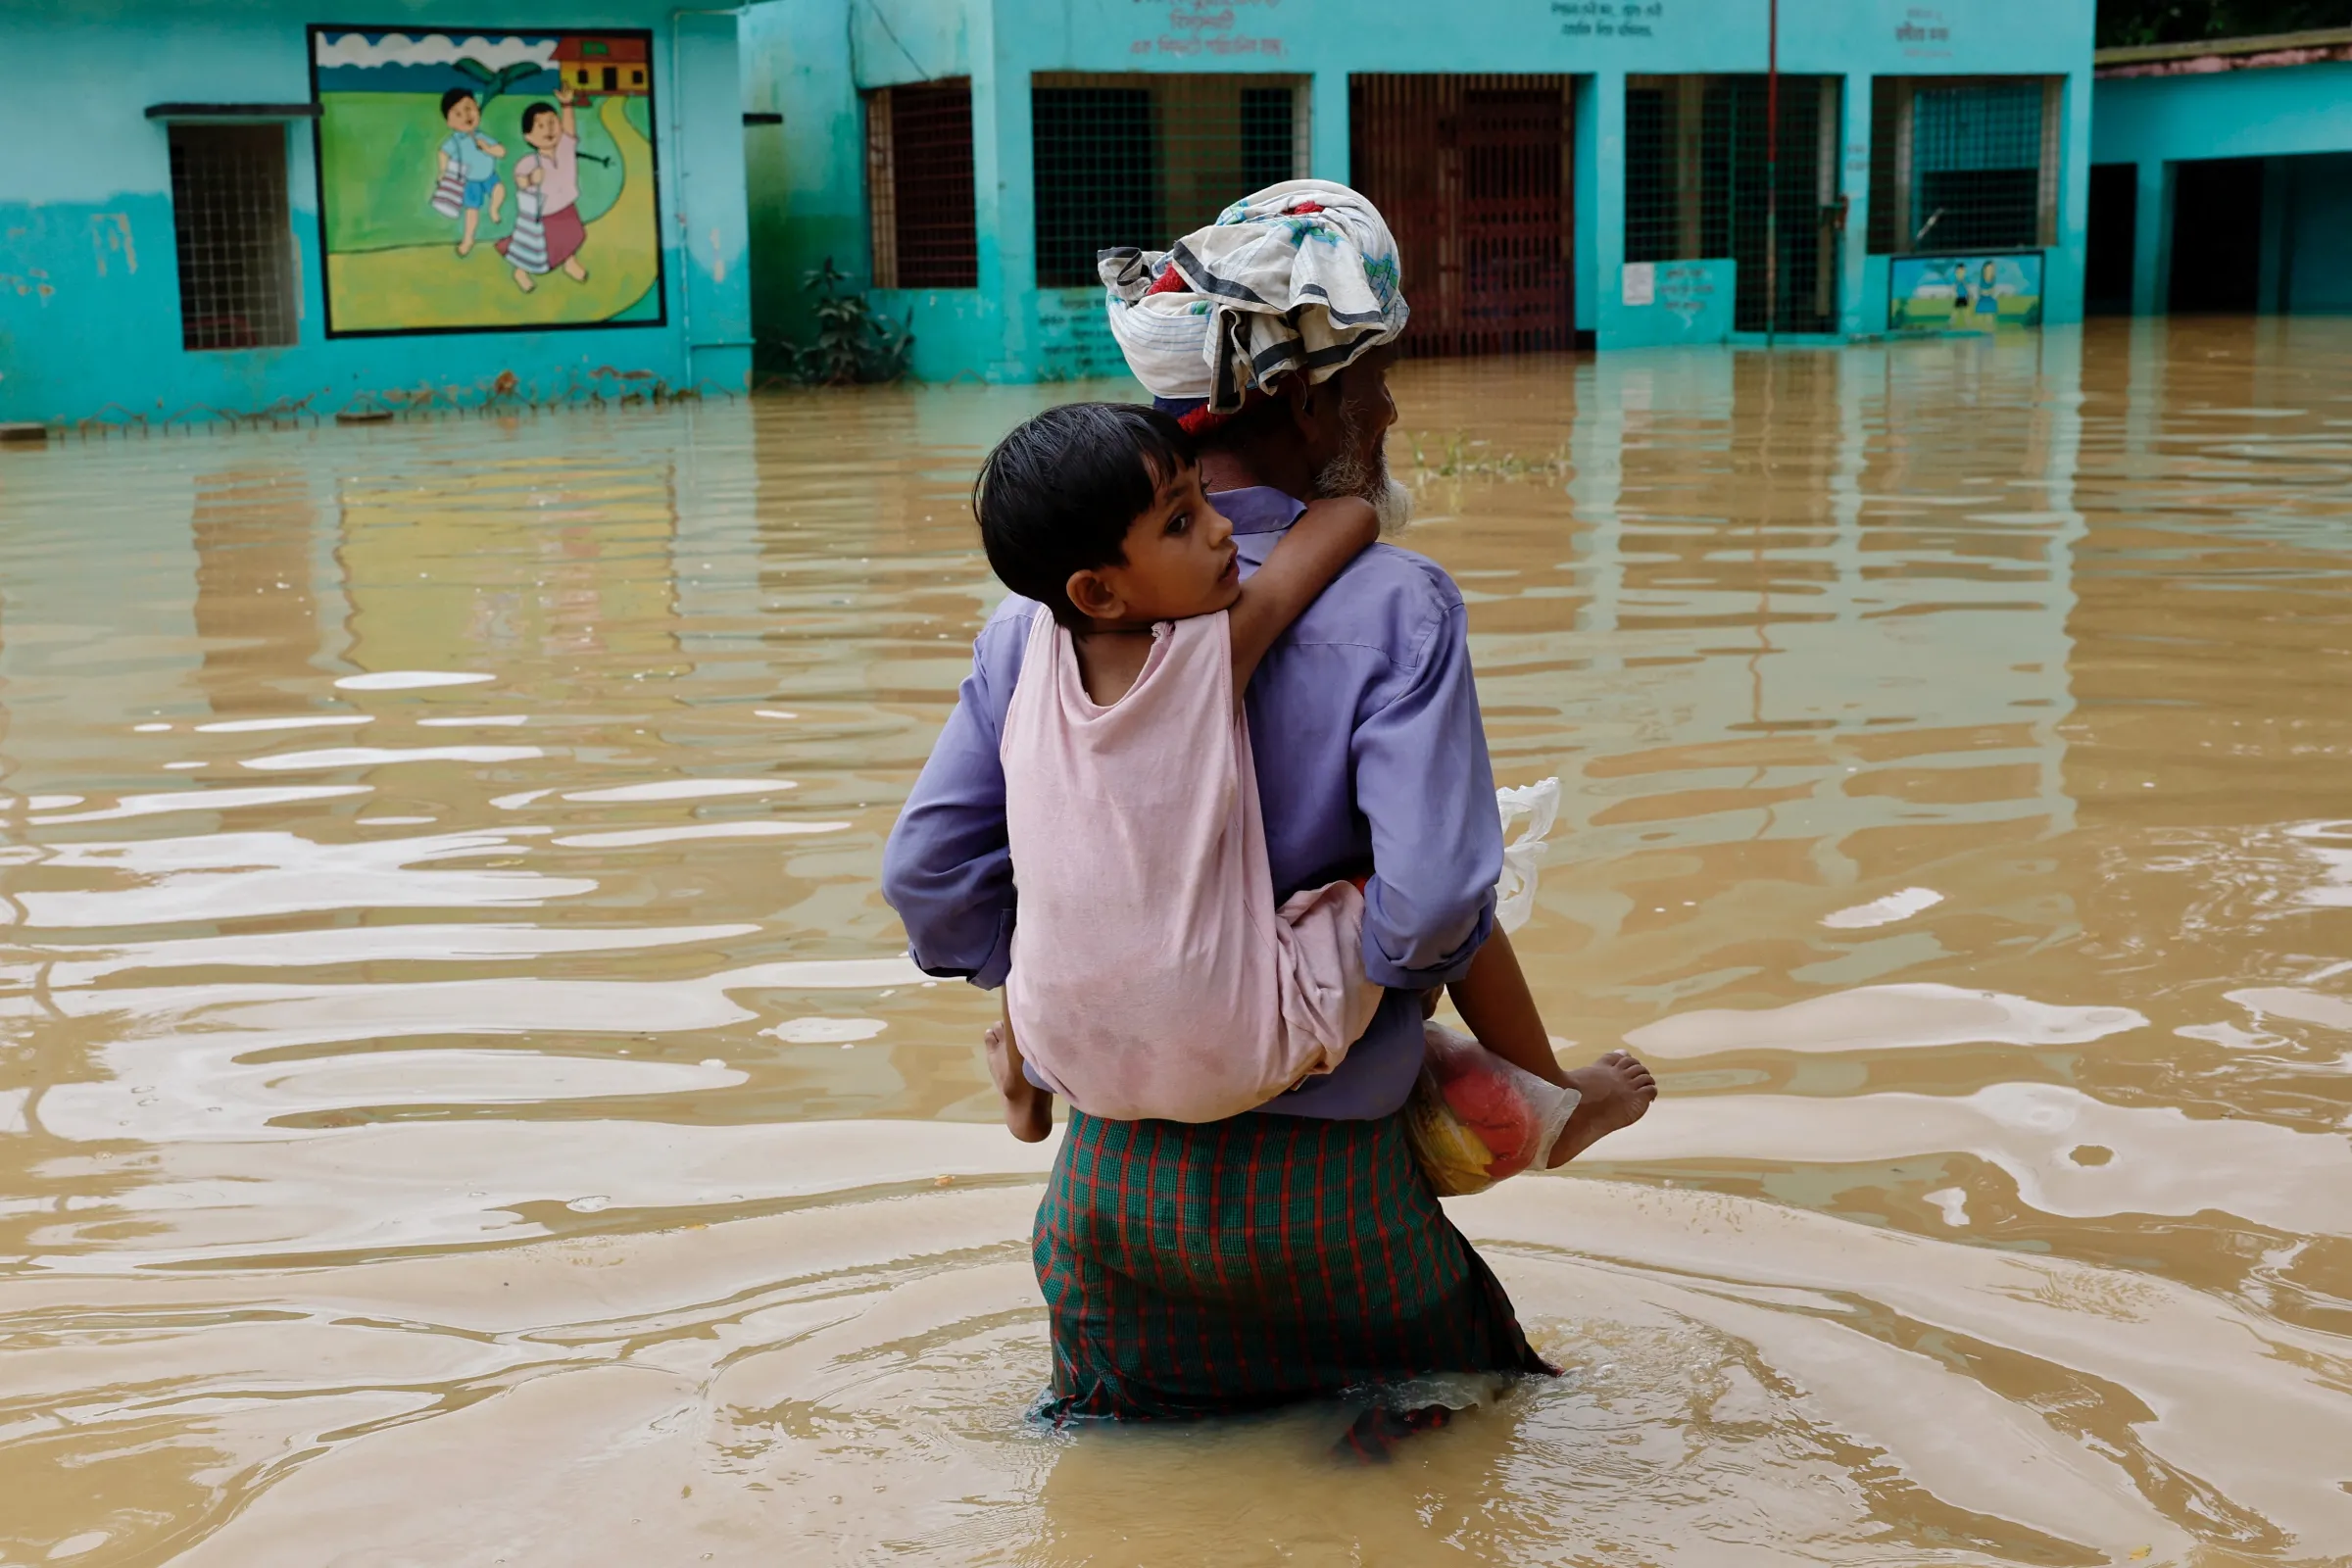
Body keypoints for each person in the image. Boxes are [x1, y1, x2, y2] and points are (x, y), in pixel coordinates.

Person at [881, 180, 1655, 1425]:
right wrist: (1406, 1034)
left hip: (1108, 1199)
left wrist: (1061, 975)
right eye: (1377, 378)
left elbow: (928, 877)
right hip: (1332, 1198)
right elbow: (1436, 901)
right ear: (1309, 398)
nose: (1391, 409)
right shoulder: (1397, 604)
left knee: (1122, 1486)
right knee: (1444, 1458)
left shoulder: (1039, 628)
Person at [972, 402, 1599, 1156]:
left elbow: (930, 874)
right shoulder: (1201, 663)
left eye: (1205, 498)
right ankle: (1550, 1103)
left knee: (1044, 885)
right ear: (1098, 594)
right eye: (1181, 522)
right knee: (1437, 879)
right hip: (1239, 1051)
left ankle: (1021, 1080)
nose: (1222, 528)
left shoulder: (1024, 652)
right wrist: (1348, 492)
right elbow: (1345, 525)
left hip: (1064, 1048)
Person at [500, 85, 591, 292]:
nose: (549, 129)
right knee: (535, 248)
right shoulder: (529, 161)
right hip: (545, 213)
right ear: (528, 137)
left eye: (552, 123)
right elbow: (520, 181)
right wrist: (531, 179)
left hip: (567, 206)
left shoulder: (566, 148)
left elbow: (569, 128)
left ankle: (569, 262)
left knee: (571, 237)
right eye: (540, 126)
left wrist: (566, 105)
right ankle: (520, 271)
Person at [436, 88, 506, 257]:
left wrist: (488, 148)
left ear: (477, 109)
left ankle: (494, 209)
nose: (466, 115)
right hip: (470, 181)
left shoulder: (481, 136)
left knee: (499, 190)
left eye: (469, 109)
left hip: (489, 175)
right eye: (458, 114)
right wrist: (443, 170)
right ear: (449, 123)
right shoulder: (455, 140)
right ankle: (468, 240)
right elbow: (443, 153)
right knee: (471, 211)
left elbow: (501, 151)